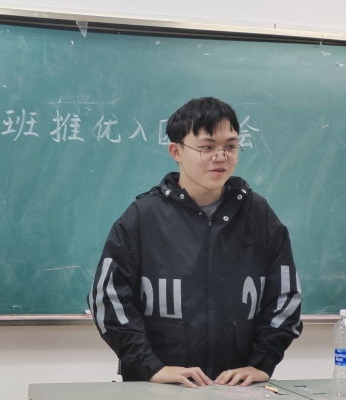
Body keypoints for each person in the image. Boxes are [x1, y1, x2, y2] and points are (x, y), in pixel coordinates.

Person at [87, 97, 302, 389]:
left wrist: (262, 363)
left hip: (235, 389)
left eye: (230, 146)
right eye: (207, 147)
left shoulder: (259, 214)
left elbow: (285, 296)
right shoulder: (143, 216)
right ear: (176, 151)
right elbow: (107, 298)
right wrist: (150, 366)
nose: (221, 156)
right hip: (157, 386)